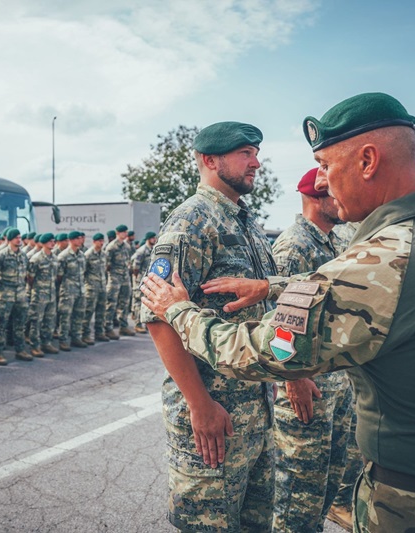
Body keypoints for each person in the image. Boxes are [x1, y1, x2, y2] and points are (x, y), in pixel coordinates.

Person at [141, 93, 415, 532]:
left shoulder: (384, 259)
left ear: (368, 161)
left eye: (325, 165)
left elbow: (266, 345)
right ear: (209, 160)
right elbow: (359, 285)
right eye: (246, 153)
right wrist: (269, 289)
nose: (321, 180)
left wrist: (179, 310)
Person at [141, 121, 277, 531]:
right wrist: (199, 405)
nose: (256, 162)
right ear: (210, 160)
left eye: (256, 153)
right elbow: (158, 318)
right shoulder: (192, 221)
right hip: (214, 415)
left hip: (256, 413)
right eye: (245, 153)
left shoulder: (245, 221)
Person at [270, 168, 355, 532]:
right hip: (307, 386)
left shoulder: (331, 241)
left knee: (328, 478)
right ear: (315, 199)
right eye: (334, 194)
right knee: (298, 492)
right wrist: (293, 378)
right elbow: (278, 321)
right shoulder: (294, 246)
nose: (341, 199)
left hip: (335, 382)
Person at [0, 228, 32, 363]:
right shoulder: (1, 256)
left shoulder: (23, 255)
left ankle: (20, 350)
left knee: (20, 324)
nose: (19, 240)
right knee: (0, 325)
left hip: (20, 295)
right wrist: (3, 287)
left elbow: (26, 274)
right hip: (5, 295)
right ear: (10, 239)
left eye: (19, 237)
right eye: (15, 238)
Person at [27, 233, 59, 356]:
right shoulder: (36, 259)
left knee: (49, 320)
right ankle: (35, 346)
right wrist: (37, 289)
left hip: (51, 294)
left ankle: (47, 343)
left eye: (53, 241)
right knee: (36, 321)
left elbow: (55, 276)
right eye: (50, 241)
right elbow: (30, 278)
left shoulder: (54, 258)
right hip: (39, 295)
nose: (53, 243)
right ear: (44, 243)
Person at [55, 230, 87, 351]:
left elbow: (83, 272)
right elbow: (59, 276)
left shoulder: (81, 255)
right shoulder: (63, 256)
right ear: (71, 240)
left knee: (79, 315)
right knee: (65, 316)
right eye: (77, 238)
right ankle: (63, 340)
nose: (80, 240)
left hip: (80, 289)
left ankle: (76, 337)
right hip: (68, 290)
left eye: (80, 238)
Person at [104, 224, 135, 339]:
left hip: (125, 277)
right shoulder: (111, 247)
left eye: (126, 232)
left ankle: (123, 326)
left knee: (125, 302)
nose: (125, 234)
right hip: (114, 278)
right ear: (118, 233)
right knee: (111, 302)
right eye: (123, 232)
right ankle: (108, 328)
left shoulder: (127, 246)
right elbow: (106, 265)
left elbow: (129, 260)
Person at [81, 232, 108, 344]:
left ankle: (99, 332)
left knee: (101, 311)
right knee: (88, 311)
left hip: (102, 287)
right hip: (91, 288)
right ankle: (85, 334)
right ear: (94, 242)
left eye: (102, 241)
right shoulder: (88, 255)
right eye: (99, 241)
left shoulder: (103, 254)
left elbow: (105, 270)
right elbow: (83, 272)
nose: (101, 243)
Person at [130, 231, 156, 334]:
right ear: (148, 239)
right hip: (140, 281)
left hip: (148, 281)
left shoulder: (153, 250)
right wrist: (137, 281)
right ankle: (137, 324)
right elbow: (135, 268)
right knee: (138, 302)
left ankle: (145, 323)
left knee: (147, 302)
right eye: (153, 238)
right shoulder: (141, 251)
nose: (154, 240)